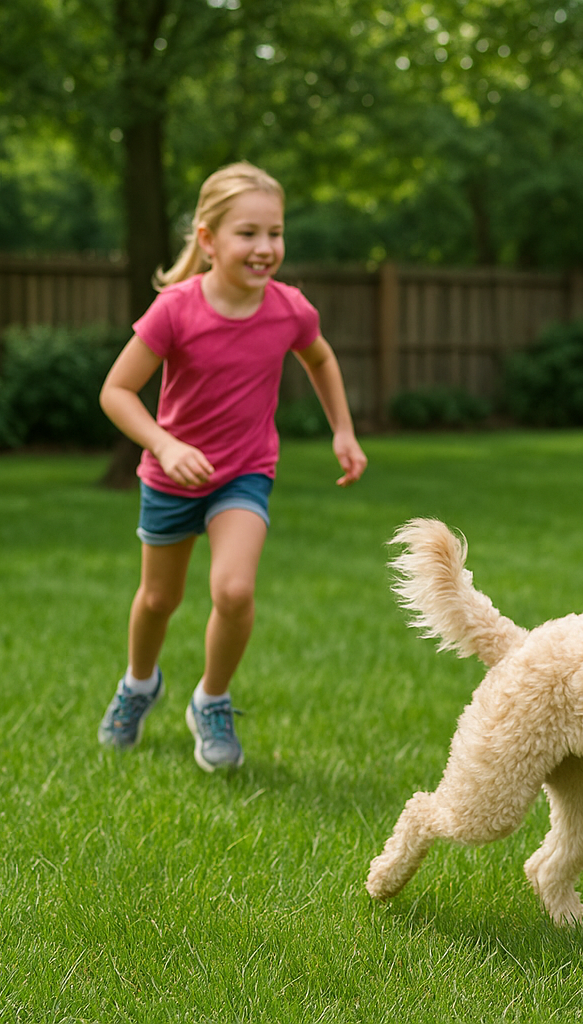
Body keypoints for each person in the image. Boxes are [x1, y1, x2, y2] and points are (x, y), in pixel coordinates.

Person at [96, 161, 368, 772]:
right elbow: (116, 390)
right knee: (158, 599)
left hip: (244, 472)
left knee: (235, 589)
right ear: (208, 238)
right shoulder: (174, 310)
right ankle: (139, 685)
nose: (265, 248)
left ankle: (211, 700)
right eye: (248, 233)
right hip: (171, 477)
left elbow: (319, 359)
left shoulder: (289, 309)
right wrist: (164, 445)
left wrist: (343, 430)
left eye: (275, 233)